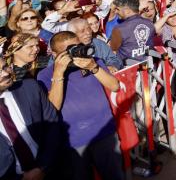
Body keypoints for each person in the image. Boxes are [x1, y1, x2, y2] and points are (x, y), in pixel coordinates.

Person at [37, 31, 123, 180]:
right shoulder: (44, 75)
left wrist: (94, 67)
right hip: (74, 142)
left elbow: (115, 86)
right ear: (55, 54)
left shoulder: (93, 60)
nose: (76, 51)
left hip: (104, 132)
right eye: (69, 50)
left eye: (78, 46)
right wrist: (58, 73)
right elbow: (53, 107)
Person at [0, 57, 62, 180]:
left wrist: (41, 168)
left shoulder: (30, 88)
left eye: (4, 67)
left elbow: (53, 126)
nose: (6, 73)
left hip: (50, 169)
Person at [109, 0, 155, 64]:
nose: (116, 12)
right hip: (149, 67)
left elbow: (112, 49)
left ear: (127, 11)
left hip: (129, 70)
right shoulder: (149, 23)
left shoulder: (119, 29)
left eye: (118, 9)